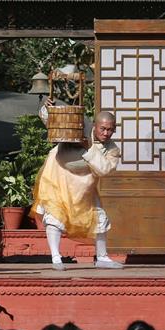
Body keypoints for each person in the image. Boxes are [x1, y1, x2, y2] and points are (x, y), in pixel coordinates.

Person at [32, 98, 123, 271]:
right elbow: (55, 123)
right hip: (59, 177)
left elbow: (104, 170)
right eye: (103, 128)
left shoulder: (113, 149)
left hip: (84, 187)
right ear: (95, 125)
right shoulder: (80, 124)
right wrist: (49, 109)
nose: (106, 133)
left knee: (100, 219)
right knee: (54, 216)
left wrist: (88, 147)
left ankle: (102, 257)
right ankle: (56, 257)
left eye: (110, 130)